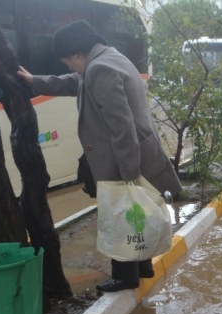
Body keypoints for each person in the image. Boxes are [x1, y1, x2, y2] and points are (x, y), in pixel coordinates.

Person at [17, 20, 182, 293]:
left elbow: (121, 126)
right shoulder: (107, 59)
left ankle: (124, 276)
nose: (68, 67)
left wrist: (128, 175)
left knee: (121, 215)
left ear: (77, 54)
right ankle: (142, 266)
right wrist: (35, 81)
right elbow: (73, 82)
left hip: (122, 159)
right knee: (134, 215)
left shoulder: (99, 69)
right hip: (136, 155)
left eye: (67, 61)